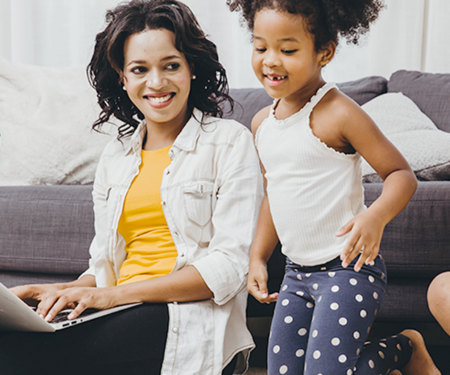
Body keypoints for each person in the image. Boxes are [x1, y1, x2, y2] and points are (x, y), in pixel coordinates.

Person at [0, 1, 263, 374]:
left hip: (182, 317)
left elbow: (228, 268)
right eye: (140, 69)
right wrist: (61, 291)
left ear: (191, 69)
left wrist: (109, 296)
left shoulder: (229, 142)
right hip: (117, 309)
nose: (156, 83)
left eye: (171, 65)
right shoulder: (116, 157)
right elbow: (104, 266)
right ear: (122, 77)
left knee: (14, 357)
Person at [227, 1, 441, 374]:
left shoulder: (339, 113)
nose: (270, 60)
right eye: (261, 47)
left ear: (324, 52)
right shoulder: (262, 123)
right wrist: (257, 257)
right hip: (297, 275)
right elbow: (272, 197)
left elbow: (401, 175)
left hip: (349, 270)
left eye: (287, 50)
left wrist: (375, 217)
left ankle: (405, 348)